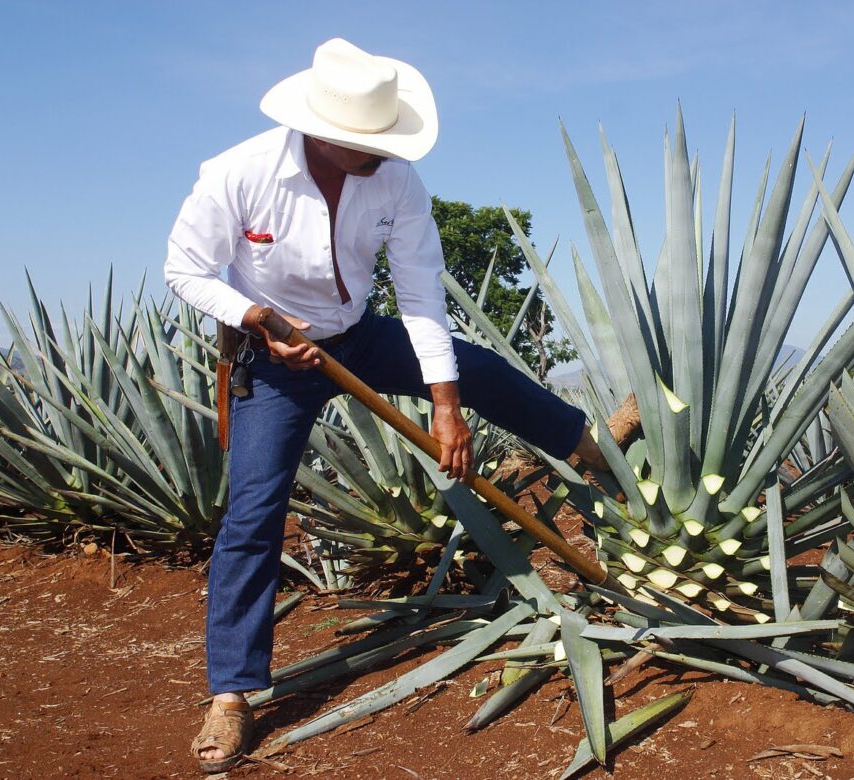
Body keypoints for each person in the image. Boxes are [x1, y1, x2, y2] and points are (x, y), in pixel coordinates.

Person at [164, 38, 605, 772]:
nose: (383, 151)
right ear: (324, 130)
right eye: (369, 141)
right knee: (254, 512)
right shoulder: (239, 173)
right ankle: (233, 695)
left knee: (480, 369)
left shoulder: (395, 182)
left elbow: (423, 295)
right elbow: (184, 268)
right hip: (274, 362)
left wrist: (446, 405)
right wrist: (259, 322)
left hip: (357, 338)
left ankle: (591, 448)